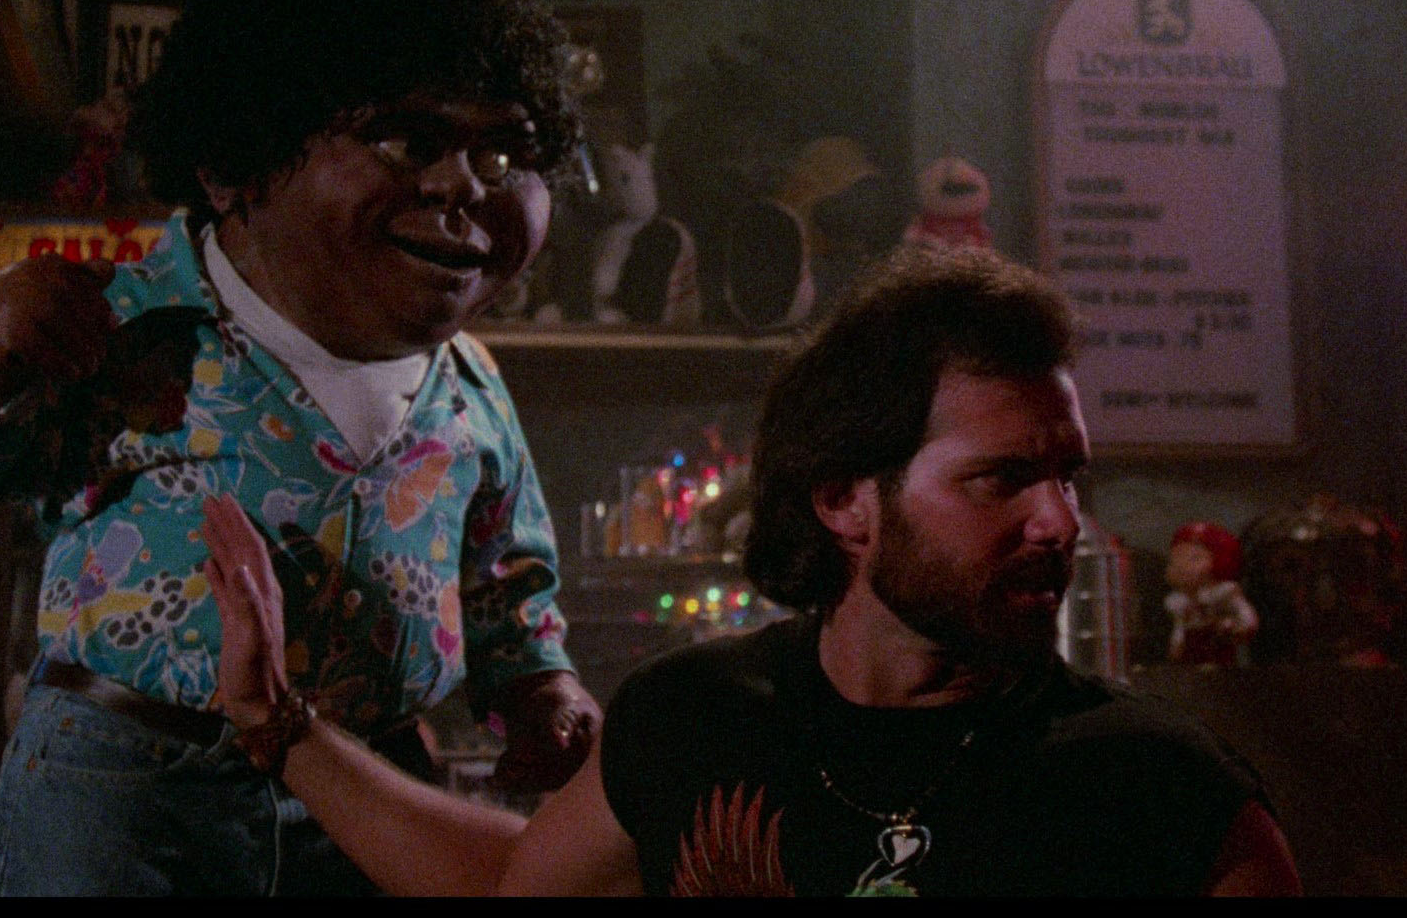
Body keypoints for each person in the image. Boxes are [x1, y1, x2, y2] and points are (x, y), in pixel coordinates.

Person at [200, 245, 1304, 897]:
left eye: (1070, 476)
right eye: (1003, 479)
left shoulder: (1161, 790)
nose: (1059, 521)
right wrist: (280, 728)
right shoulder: (700, 718)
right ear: (844, 499)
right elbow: (514, 883)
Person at [0, 0, 601, 896]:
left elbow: (504, 580)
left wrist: (537, 684)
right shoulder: (128, 326)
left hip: (364, 795)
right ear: (235, 166)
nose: (463, 186)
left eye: (503, 156)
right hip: (129, 793)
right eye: (407, 139)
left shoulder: (473, 383)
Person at [1164, 521, 1259, 667]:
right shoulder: (1179, 601)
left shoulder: (1224, 593)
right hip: (1192, 654)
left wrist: (1236, 627)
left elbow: (1247, 618)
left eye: (1195, 558)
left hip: (1219, 649)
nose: (1182, 566)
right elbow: (1180, 626)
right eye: (1175, 559)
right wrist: (1177, 643)